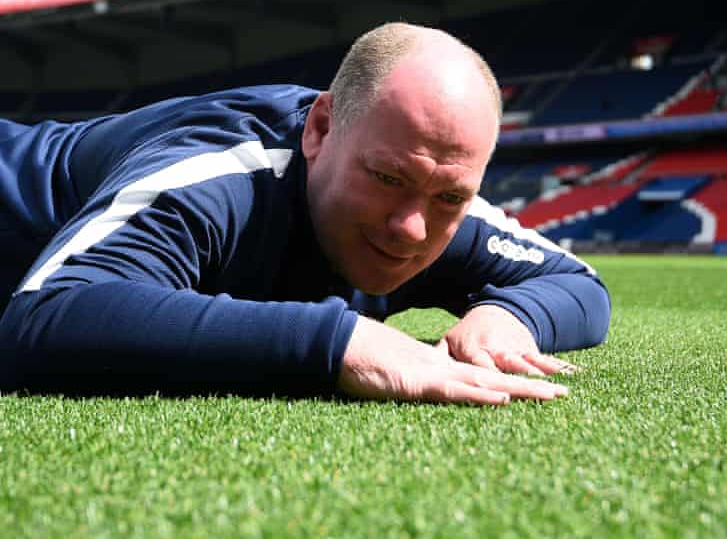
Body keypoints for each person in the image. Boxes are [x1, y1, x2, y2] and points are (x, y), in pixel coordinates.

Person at [0, 22, 611, 405]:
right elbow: (44, 317)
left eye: (450, 197)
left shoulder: (428, 194)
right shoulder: (223, 174)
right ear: (321, 129)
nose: (411, 229)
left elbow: (578, 284)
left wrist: (508, 316)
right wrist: (338, 343)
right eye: (387, 178)